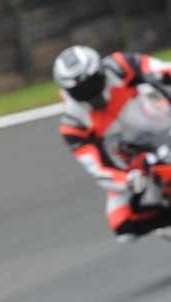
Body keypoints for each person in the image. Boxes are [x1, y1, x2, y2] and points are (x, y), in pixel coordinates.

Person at [54, 45, 171, 241]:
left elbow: (162, 68)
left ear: (101, 71)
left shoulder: (121, 65)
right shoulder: (73, 123)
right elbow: (98, 170)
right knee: (122, 224)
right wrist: (128, 180)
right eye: (80, 91)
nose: (90, 94)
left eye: (92, 84)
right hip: (132, 161)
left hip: (162, 124)